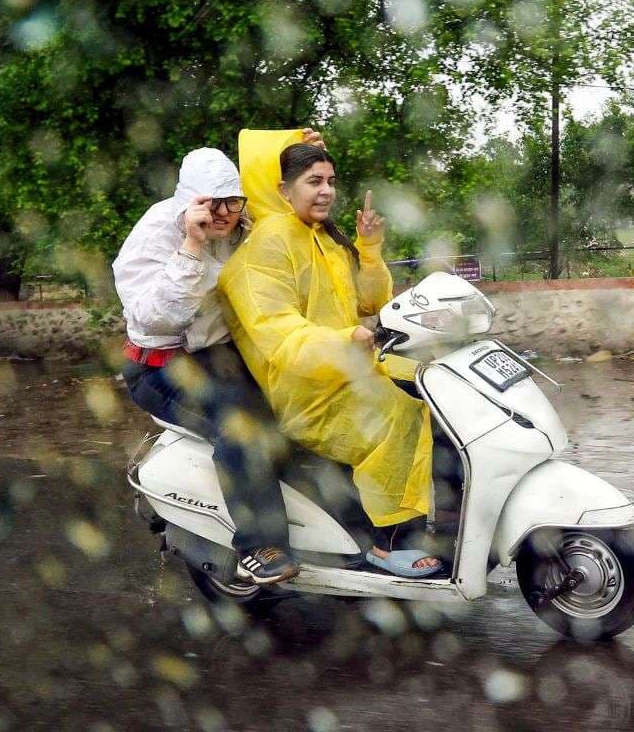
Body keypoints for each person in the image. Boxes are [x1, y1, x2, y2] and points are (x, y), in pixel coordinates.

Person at [219, 139, 442, 578]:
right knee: (399, 415)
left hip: (353, 367)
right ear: (282, 189)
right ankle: (390, 544)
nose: (326, 191)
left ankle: (448, 519)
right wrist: (346, 340)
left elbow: (369, 301)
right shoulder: (265, 249)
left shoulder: (322, 238)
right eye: (313, 181)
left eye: (330, 181)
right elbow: (280, 334)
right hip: (308, 390)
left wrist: (369, 248)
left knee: (437, 387)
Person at [113, 136, 322, 584]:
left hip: (223, 355)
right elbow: (155, 317)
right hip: (162, 364)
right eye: (214, 203)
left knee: (306, 404)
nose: (225, 213)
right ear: (191, 202)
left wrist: (300, 149)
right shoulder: (155, 235)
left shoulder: (240, 226)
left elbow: (283, 198)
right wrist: (192, 245)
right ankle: (258, 546)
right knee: (240, 428)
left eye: (233, 201)